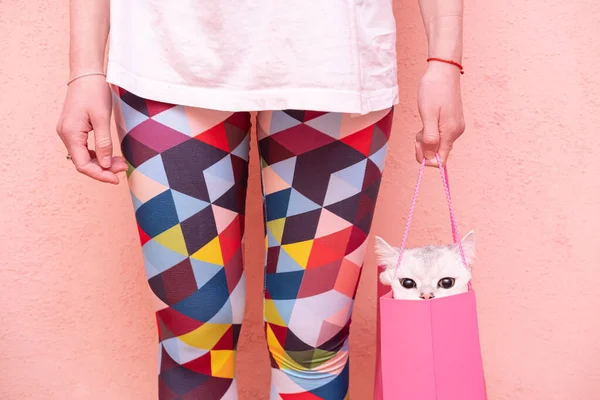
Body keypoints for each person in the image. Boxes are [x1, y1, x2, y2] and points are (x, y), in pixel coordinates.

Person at [56, 0, 465, 398]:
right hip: (165, 56)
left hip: (335, 60)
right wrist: (84, 69)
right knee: (193, 343)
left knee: (312, 350)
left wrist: (444, 63)